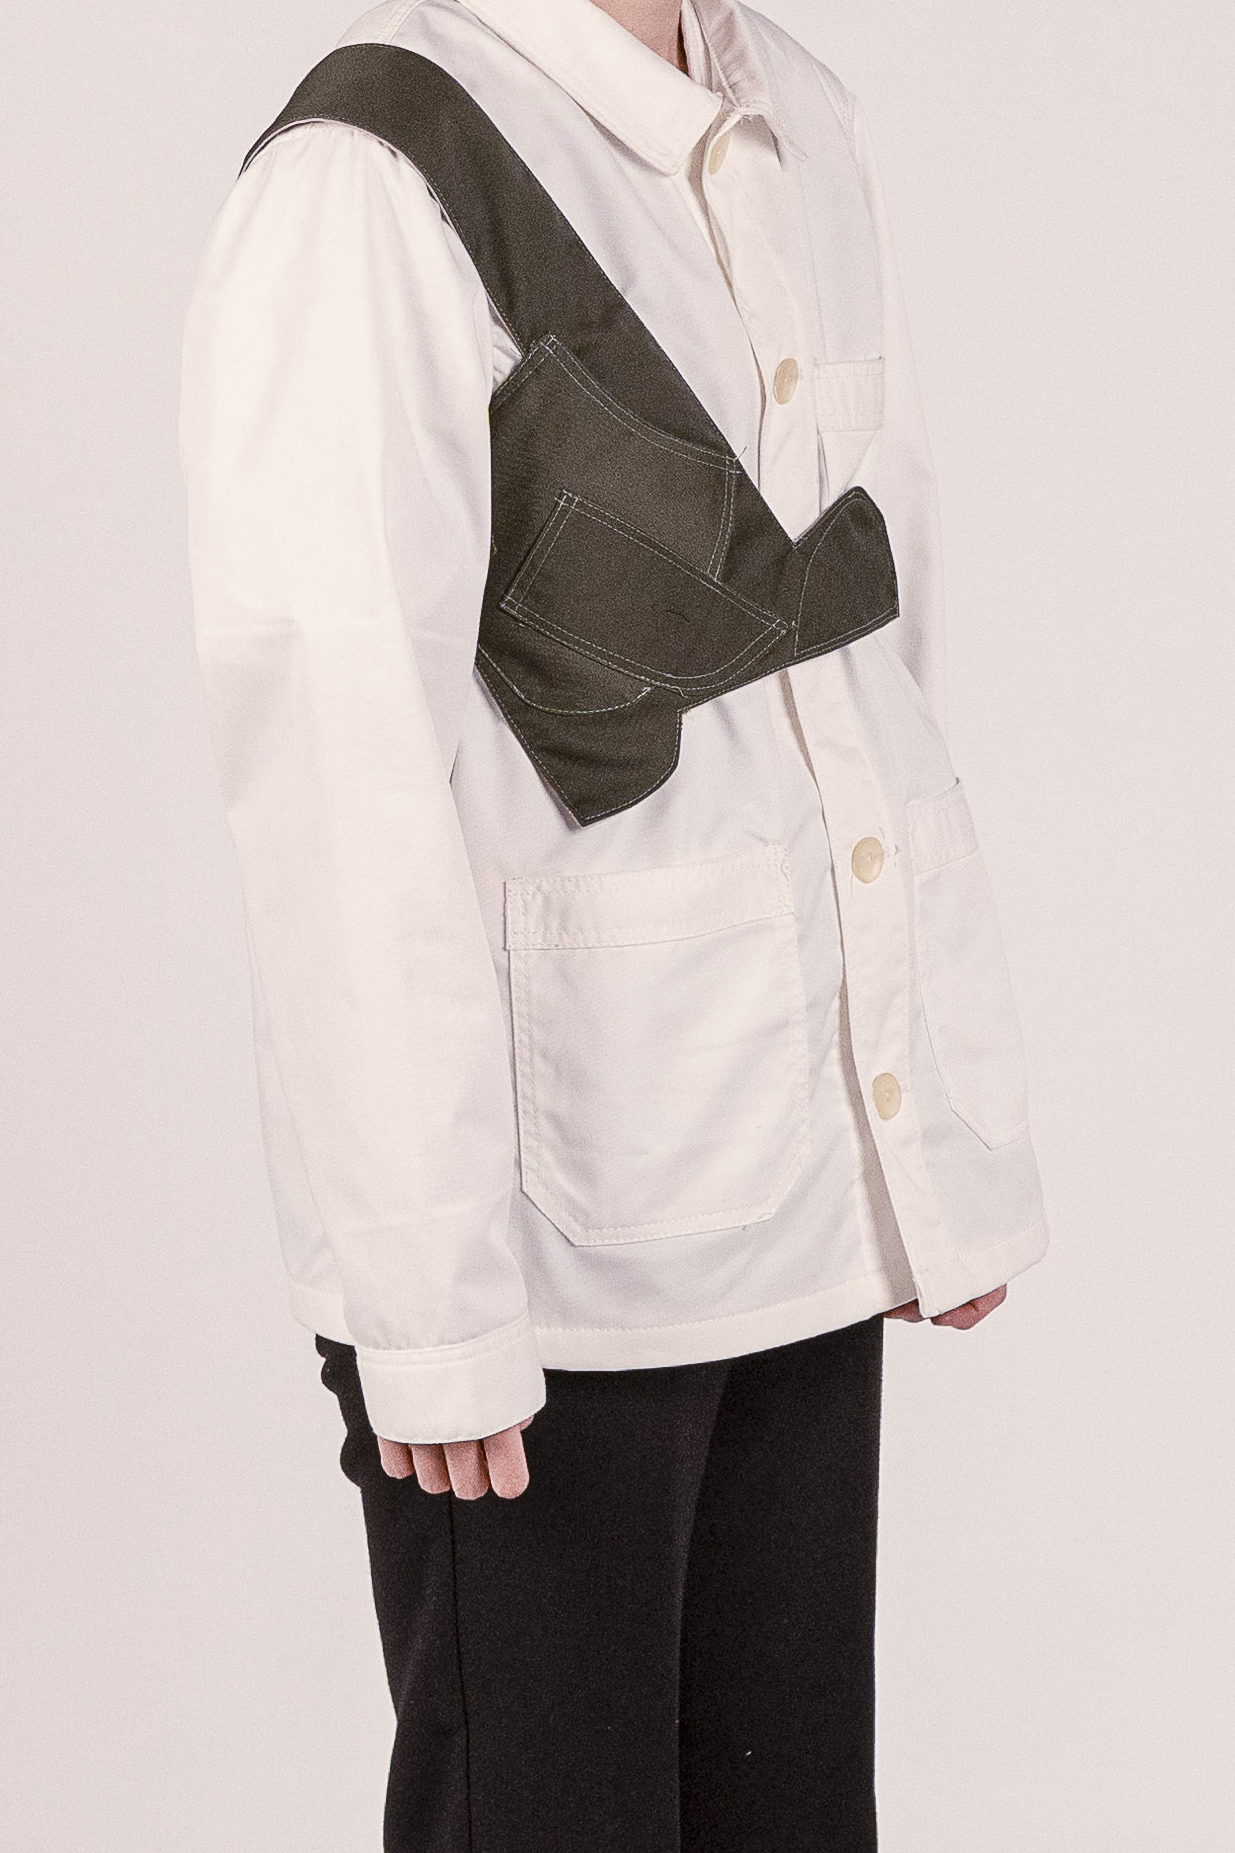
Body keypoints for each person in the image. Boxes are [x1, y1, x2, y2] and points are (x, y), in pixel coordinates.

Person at [179, 0, 1049, 1844]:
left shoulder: (796, 108)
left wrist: (921, 1133)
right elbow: (338, 772)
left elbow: (865, 642)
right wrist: (429, 1301)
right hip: (540, 1245)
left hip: (787, 1177)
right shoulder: (373, 172)